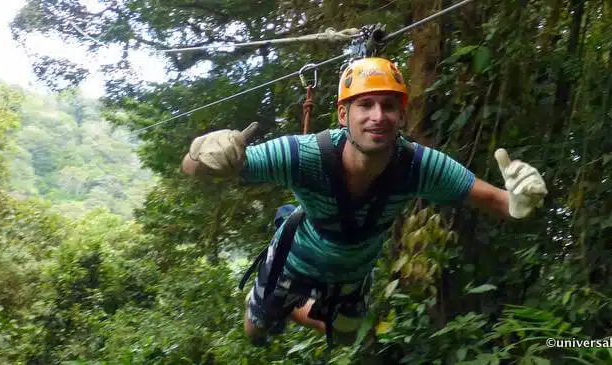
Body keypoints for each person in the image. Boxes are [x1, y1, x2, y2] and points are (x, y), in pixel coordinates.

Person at [180, 57, 548, 347]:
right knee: (254, 332)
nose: (377, 116)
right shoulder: (306, 155)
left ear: (402, 115)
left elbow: (500, 202)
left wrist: (517, 202)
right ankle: (281, 303)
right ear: (344, 115)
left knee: (343, 337)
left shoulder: (418, 166)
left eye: (388, 106)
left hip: (352, 270)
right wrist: (206, 153)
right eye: (365, 105)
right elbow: (195, 168)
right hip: (294, 256)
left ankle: (293, 306)